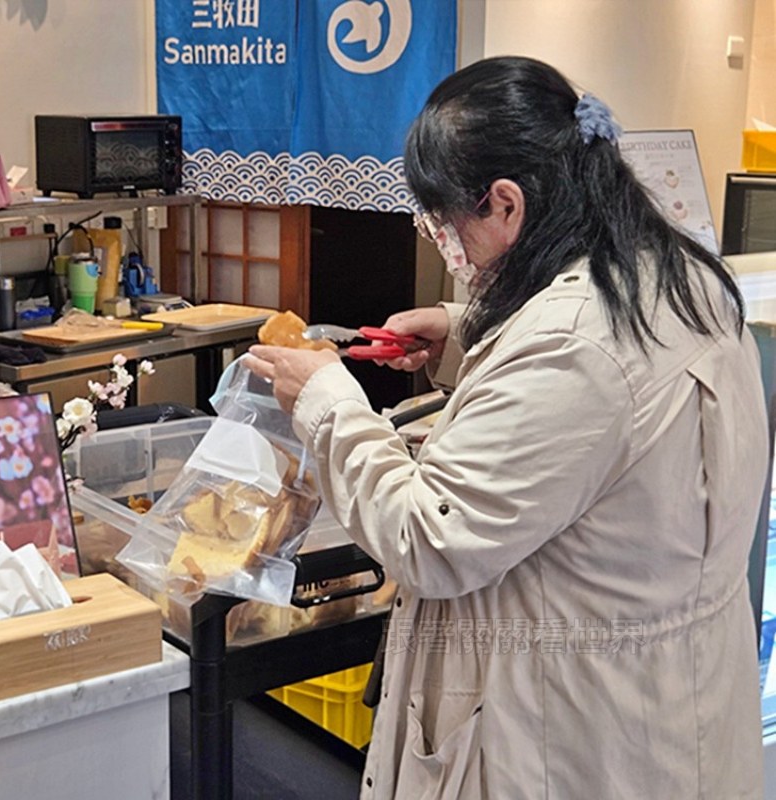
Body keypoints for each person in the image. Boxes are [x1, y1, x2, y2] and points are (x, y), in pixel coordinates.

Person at [248, 56, 768, 799]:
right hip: (668, 705)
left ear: (505, 204)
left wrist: (327, 401)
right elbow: (605, 411)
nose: (448, 248)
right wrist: (465, 336)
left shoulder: (577, 345)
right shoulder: (676, 274)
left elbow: (430, 538)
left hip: (573, 734)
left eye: (443, 224)